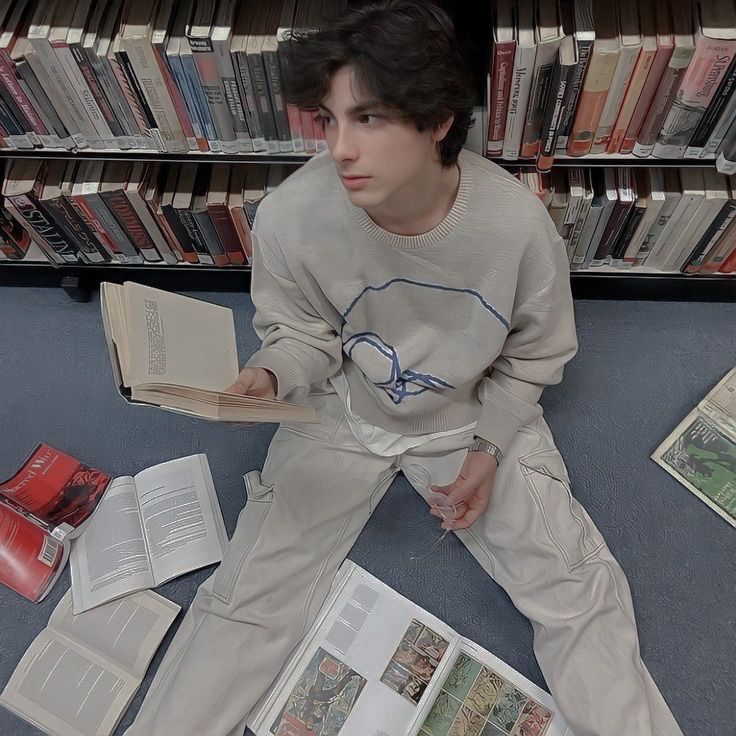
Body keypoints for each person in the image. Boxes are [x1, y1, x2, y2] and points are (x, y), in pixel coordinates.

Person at [127, 3, 683, 735]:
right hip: (341, 406)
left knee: (574, 589)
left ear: (438, 122)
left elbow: (536, 355)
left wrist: (489, 452)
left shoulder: (514, 226)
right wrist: (269, 376)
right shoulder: (293, 217)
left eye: (372, 119)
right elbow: (303, 334)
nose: (341, 149)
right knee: (249, 600)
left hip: (469, 413)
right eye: (329, 120)